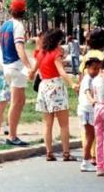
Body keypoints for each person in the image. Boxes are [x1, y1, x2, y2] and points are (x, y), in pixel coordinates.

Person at [29, 29, 79, 162]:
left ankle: (49, 152)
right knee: (64, 124)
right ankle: (66, 153)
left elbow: (33, 71)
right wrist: (72, 83)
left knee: (47, 124)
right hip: (56, 86)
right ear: (57, 40)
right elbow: (61, 71)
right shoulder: (55, 54)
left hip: (44, 86)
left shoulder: (41, 53)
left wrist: (30, 75)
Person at [0, 0, 31, 146]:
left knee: (20, 101)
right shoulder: (18, 26)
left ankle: (11, 131)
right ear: (23, 11)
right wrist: (29, 66)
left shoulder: (4, 25)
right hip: (16, 66)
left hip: (7, 65)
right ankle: (12, 135)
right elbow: (19, 48)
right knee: (17, 102)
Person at [77, 57, 102, 172]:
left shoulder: (95, 79)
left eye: (98, 69)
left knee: (91, 136)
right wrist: (92, 100)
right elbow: (87, 91)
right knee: (89, 136)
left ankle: (87, 161)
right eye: (94, 68)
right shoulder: (87, 79)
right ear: (87, 68)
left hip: (91, 110)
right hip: (86, 110)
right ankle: (85, 161)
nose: (96, 71)